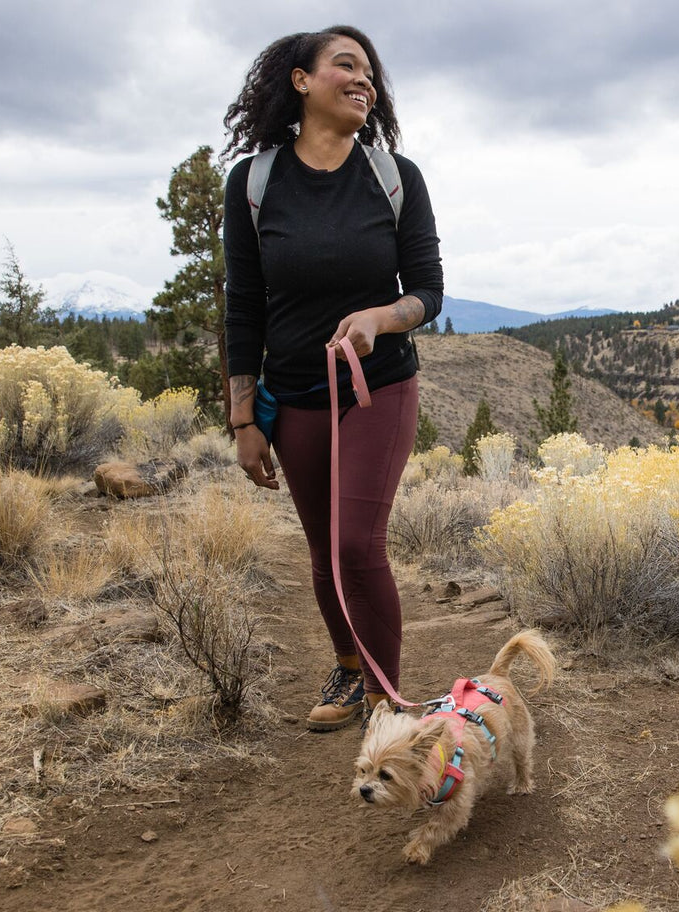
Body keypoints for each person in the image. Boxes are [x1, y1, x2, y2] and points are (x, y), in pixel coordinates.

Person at [221, 26, 443, 731]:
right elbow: (244, 305)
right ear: (300, 81)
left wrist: (382, 317)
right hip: (292, 394)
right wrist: (243, 419)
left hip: (379, 383)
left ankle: (387, 703)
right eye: (345, 65)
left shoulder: (394, 177)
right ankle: (349, 669)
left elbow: (429, 292)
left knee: (356, 544)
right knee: (323, 549)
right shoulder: (254, 183)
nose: (364, 80)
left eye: (370, 73)